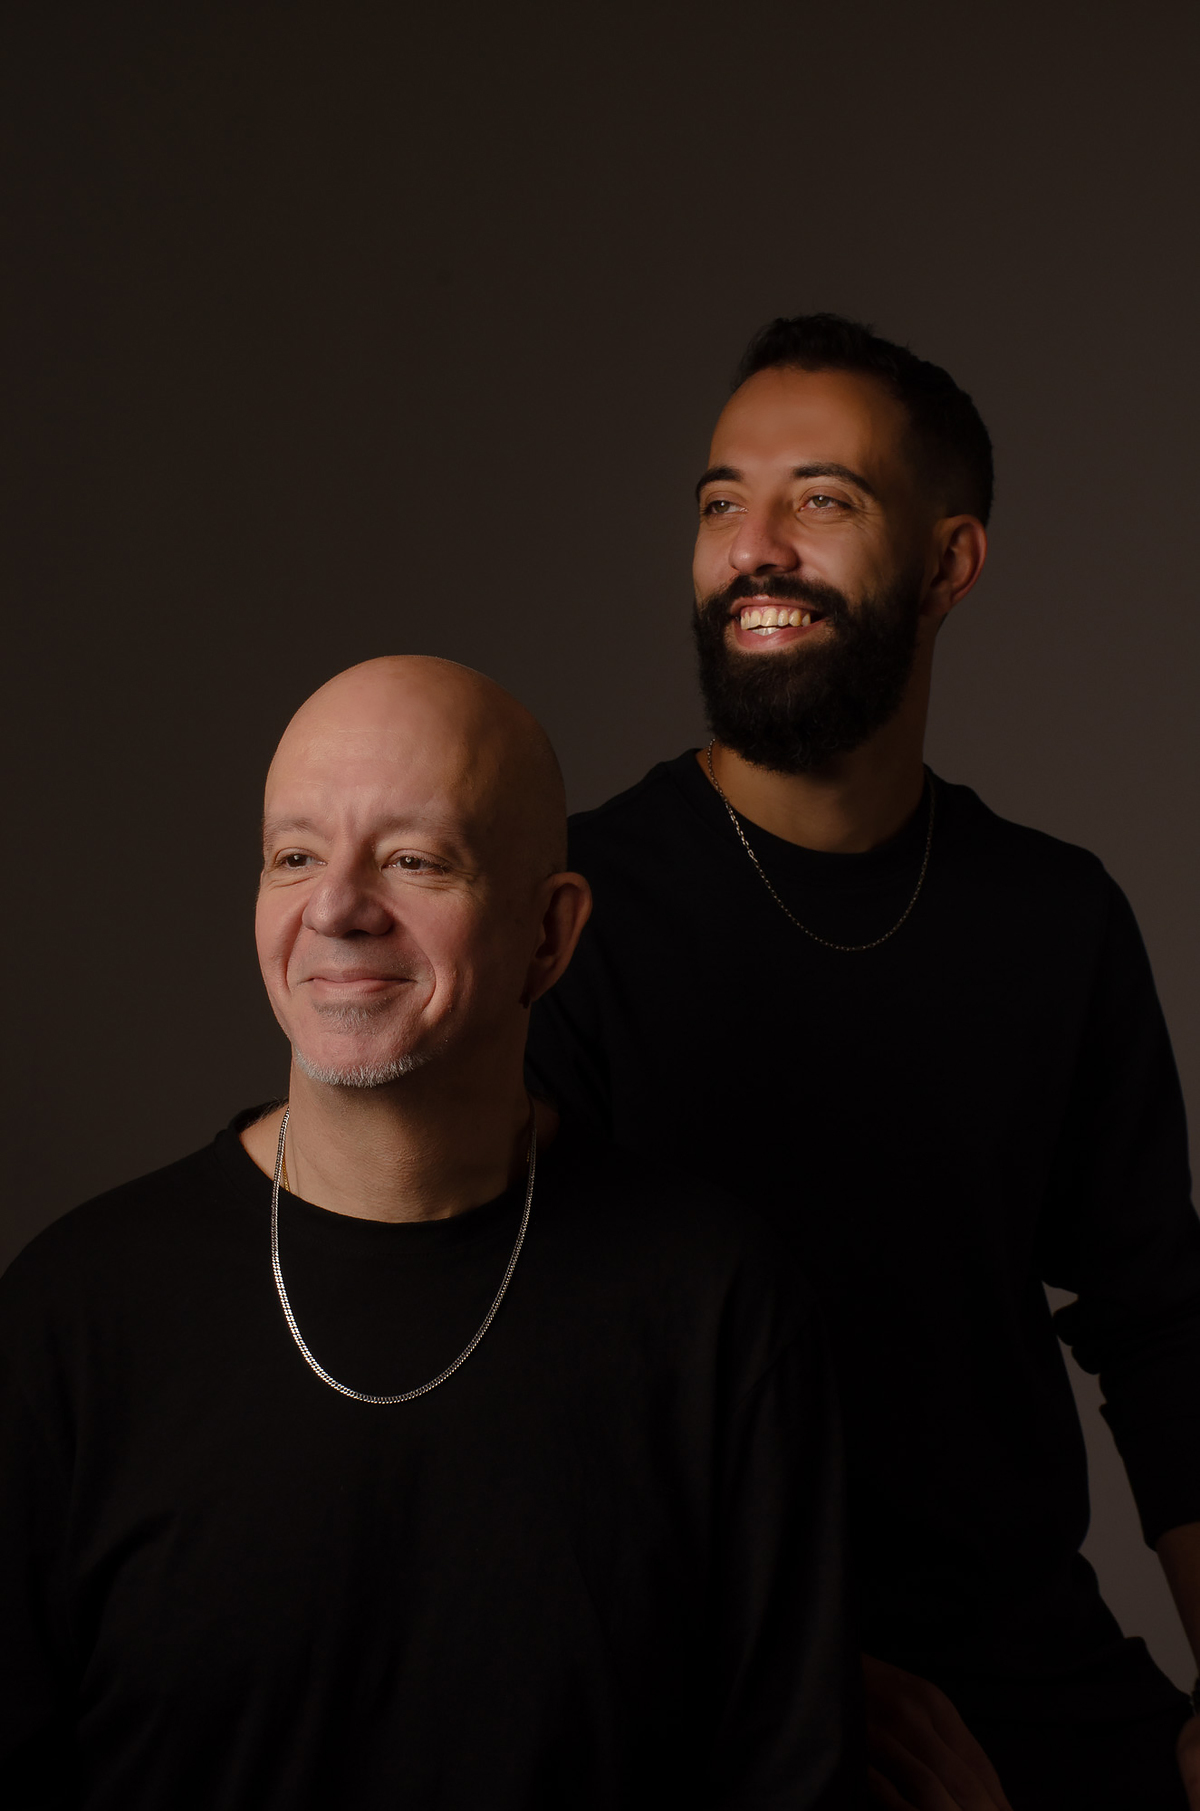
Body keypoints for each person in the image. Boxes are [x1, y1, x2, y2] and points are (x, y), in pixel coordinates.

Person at [525, 314, 1200, 1811]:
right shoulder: (570, 915)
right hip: (696, 1678)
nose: (752, 547)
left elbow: (1162, 1323)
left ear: (950, 563)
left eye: (819, 499)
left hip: (1026, 1670)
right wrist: (801, 1690)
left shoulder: (1060, 917)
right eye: (722, 500)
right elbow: (520, 1408)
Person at [0, 656, 858, 1809]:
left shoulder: (716, 1308)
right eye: (295, 855)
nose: (337, 907)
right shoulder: (73, 1312)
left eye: (414, 859)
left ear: (548, 933)